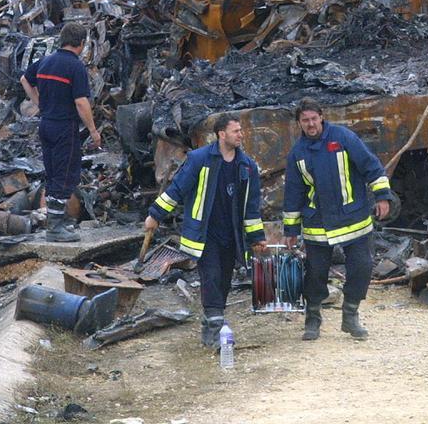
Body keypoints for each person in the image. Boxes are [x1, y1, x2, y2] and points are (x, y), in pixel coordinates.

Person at [144, 113, 267, 347]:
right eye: (236, 131)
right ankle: (217, 327)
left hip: (231, 235)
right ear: (222, 134)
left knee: (224, 281)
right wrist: (155, 215)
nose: (241, 134)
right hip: (204, 233)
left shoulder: (247, 166)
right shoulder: (200, 159)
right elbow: (178, 189)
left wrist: (257, 237)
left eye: (241, 130)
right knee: (211, 276)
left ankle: (210, 324)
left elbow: (252, 206)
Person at [282, 97, 393, 341]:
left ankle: (350, 315)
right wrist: (290, 230)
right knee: (315, 273)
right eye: (305, 121)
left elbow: (371, 166)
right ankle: (313, 318)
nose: (310, 124)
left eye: (313, 118)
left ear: (321, 116)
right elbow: (293, 192)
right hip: (317, 223)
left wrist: (383, 196)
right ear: (299, 123)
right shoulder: (297, 154)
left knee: (362, 267)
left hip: (353, 218)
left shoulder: (343, 138)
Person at [20, 22, 102, 242]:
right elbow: (81, 102)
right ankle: (55, 229)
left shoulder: (45, 61)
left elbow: (25, 80)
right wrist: (93, 131)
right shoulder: (75, 67)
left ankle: (58, 222)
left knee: (53, 173)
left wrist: (39, 103)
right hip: (64, 127)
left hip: (46, 125)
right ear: (82, 44)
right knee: (66, 176)